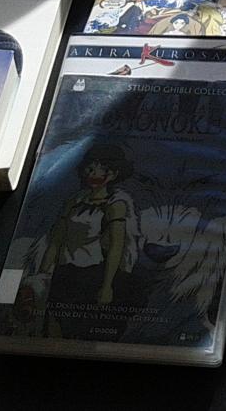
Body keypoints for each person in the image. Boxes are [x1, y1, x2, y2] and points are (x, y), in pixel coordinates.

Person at [38, 143, 141, 339]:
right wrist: (41, 275)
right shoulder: (73, 202)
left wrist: (107, 285)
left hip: (91, 274)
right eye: (91, 168)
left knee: (81, 327)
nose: (95, 173)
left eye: (103, 169)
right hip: (63, 272)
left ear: (114, 173)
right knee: (53, 324)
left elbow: (116, 247)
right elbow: (56, 240)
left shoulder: (115, 205)